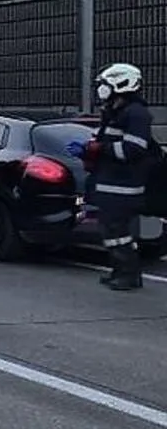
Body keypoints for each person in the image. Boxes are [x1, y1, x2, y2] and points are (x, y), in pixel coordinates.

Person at [68, 63, 156, 291]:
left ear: (121, 83)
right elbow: (104, 142)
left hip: (124, 187)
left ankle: (128, 274)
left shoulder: (136, 113)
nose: (101, 89)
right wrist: (88, 150)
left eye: (105, 84)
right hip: (111, 184)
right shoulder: (115, 112)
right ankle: (120, 271)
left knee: (118, 232)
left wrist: (99, 149)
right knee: (112, 231)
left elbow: (133, 149)